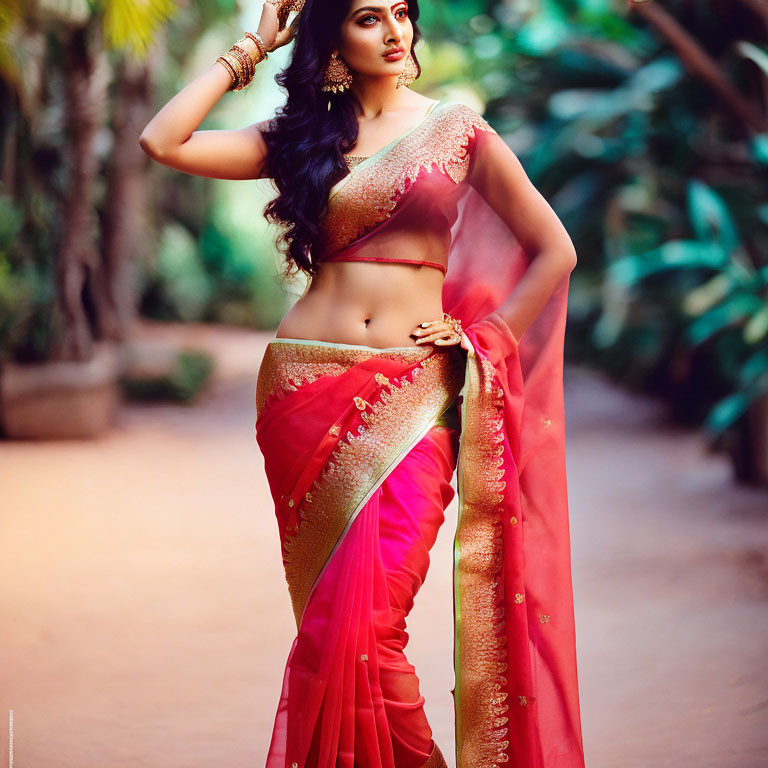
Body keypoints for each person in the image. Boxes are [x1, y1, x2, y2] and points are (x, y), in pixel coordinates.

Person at [139, 0, 585, 766]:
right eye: (368, 16)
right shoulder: (301, 140)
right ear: (332, 39)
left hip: (415, 395)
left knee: (372, 631)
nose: (395, 30)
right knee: (328, 628)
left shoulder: (458, 132)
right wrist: (252, 47)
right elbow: (162, 140)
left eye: (403, 13)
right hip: (303, 391)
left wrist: (490, 334)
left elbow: (555, 250)